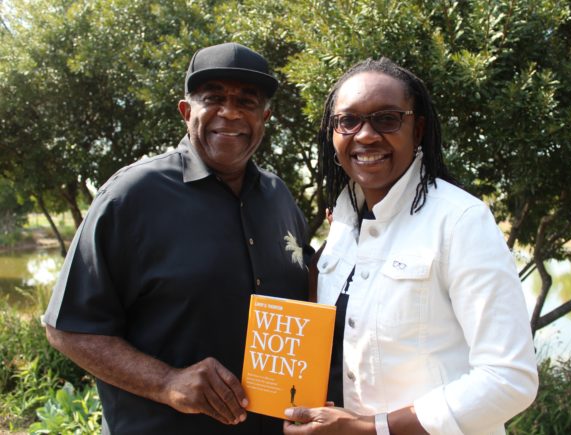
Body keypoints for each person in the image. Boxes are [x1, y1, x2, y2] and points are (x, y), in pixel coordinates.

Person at [43, 42, 313, 434]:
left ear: (265, 116)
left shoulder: (279, 196)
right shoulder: (131, 196)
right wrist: (167, 382)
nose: (231, 112)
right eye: (214, 98)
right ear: (187, 112)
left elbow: (302, 293)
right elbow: (68, 328)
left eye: (247, 101)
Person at [283, 58, 538, 435]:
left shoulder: (460, 220)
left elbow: (509, 380)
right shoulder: (343, 220)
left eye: (386, 119)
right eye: (348, 120)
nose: (365, 135)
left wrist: (371, 428)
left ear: (417, 129)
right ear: (333, 132)